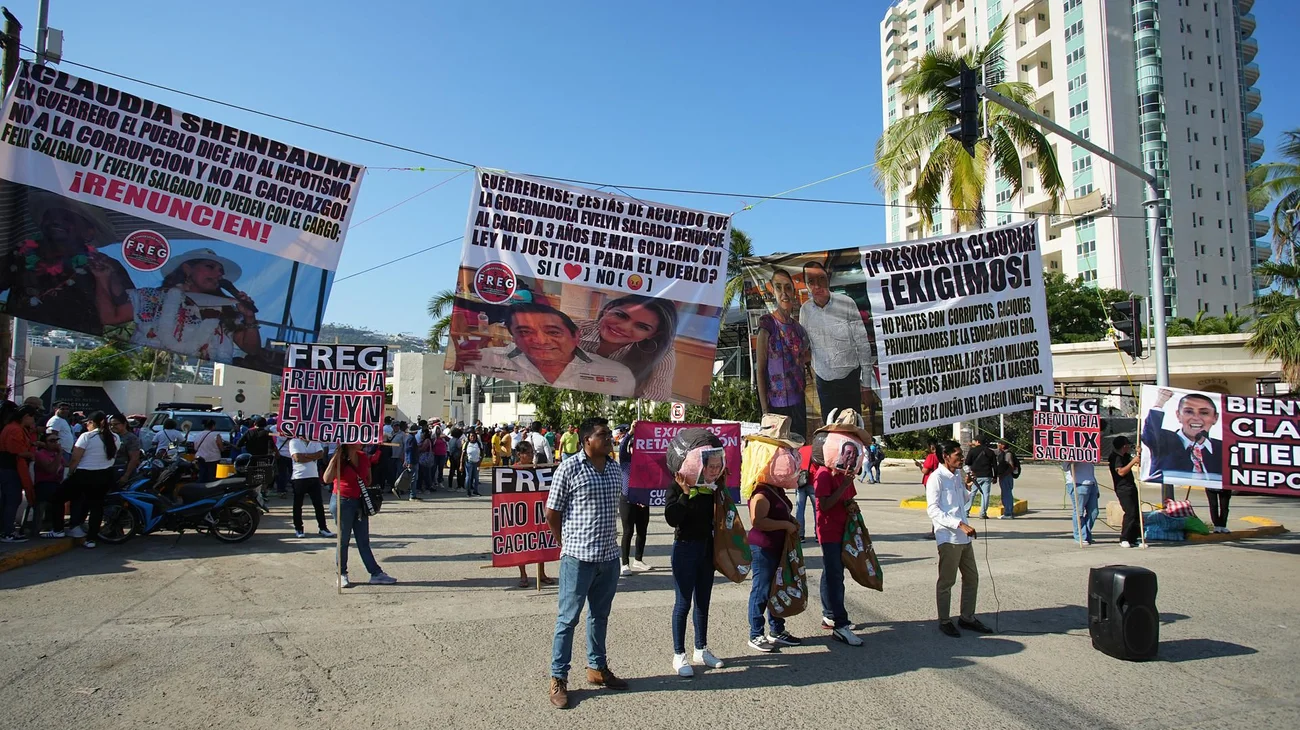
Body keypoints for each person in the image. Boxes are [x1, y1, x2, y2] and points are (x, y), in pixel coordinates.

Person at [544, 417, 628, 709]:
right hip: (578, 559)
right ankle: (558, 677)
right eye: (602, 435)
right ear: (586, 440)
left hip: (608, 557)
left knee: (599, 616)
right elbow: (552, 512)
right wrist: (564, 543)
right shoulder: (569, 468)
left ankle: (597, 668)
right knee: (568, 620)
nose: (608, 439)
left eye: (609, 435)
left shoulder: (615, 468)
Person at [91, 247, 270, 364]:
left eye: (221, 272)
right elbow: (109, 317)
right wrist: (102, 278)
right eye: (210, 267)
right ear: (187, 268)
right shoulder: (152, 298)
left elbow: (251, 348)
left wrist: (249, 318)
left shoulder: (226, 309)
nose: (218, 274)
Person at [0, 190, 131, 334]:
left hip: (75, 345)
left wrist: (103, 279)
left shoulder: (104, 265)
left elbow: (127, 311)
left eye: (68, 218)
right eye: (50, 216)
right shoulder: (19, 254)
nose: (56, 221)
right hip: (17, 337)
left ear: (88, 232)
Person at [663, 428, 727, 677]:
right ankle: (679, 655)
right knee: (683, 603)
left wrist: (717, 484)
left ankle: (701, 648)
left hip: (706, 549)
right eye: (709, 465)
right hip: (685, 548)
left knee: (703, 602)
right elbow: (672, 518)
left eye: (717, 464)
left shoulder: (711, 488)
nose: (714, 469)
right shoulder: (678, 487)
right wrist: (686, 495)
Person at [470, 303, 636, 396]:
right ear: (513, 336)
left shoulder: (618, 375)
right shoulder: (484, 360)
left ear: (576, 336)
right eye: (525, 332)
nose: (541, 341)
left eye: (553, 332)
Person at [743, 415, 804, 653]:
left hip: (777, 545)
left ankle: (777, 629)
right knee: (762, 589)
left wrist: (789, 521)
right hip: (764, 546)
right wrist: (786, 526)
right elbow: (758, 521)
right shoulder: (761, 491)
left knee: (776, 588)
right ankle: (756, 633)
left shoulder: (774, 487)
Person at [810, 408, 870, 647]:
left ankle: (830, 613)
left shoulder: (846, 473)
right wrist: (843, 483)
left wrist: (852, 506)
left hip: (843, 528)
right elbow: (824, 504)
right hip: (829, 529)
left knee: (833, 571)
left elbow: (847, 498)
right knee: (835, 574)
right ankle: (840, 623)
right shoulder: (824, 473)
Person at [926, 440, 993, 637]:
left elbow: (961, 500)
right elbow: (933, 510)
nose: (962, 458)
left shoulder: (956, 476)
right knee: (947, 581)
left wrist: (967, 486)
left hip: (964, 538)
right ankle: (945, 620)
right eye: (958, 455)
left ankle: (967, 617)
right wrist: (959, 524)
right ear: (945, 456)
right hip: (949, 538)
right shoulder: (936, 478)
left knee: (972, 578)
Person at [798, 261, 873, 421]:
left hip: (850, 379)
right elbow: (805, 345)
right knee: (831, 430)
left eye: (821, 279)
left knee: (853, 428)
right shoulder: (804, 311)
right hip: (824, 383)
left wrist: (866, 385)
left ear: (828, 278)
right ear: (806, 284)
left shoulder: (846, 303)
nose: (817, 286)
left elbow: (863, 345)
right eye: (811, 281)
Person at [577, 295, 679, 400]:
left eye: (641, 327)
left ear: (652, 334)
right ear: (608, 309)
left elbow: (656, 397)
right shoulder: (573, 330)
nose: (624, 327)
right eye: (620, 315)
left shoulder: (663, 352)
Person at [323, 443, 397, 588]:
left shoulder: (363, 457)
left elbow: (368, 480)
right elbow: (326, 479)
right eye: (359, 439)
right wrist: (335, 459)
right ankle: (341, 574)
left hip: (359, 501)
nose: (363, 442)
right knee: (343, 540)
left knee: (363, 540)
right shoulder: (339, 458)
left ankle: (375, 573)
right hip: (342, 501)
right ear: (349, 443)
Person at [756, 269, 811, 440]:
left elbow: (806, 358)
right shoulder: (767, 325)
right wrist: (765, 410)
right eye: (779, 287)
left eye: (788, 287)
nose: (784, 293)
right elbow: (760, 370)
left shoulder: (799, 329)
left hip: (798, 405)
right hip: (775, 409)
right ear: (773, 291)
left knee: (800, 452)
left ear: (794, 292)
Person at [65, 411, 121, 549]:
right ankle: (92, 538)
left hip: (85, 474)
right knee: (97, 507)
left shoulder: (87, 436)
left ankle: (75, 527)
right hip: (105, 475)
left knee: (78, 501)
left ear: (96, 422)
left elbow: (75, 458)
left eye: (88, 422)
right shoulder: (115, 437)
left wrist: (68, 473)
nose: (87, 425)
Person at [1141, 388, 1223, 480]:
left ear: (1215, 418)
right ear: (1178, 415)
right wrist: (1159, 403)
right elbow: (1150, 434)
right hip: (1175, 490)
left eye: (1204, 413)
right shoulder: (1164, 441)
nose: (1196, 418)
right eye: (1189, 411)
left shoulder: (1224, 448)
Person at [511, 440, 555, 588]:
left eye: (532, 453)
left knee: (540, 542)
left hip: (537, 512)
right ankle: (523, 575)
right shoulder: (513, 470)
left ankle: (541, 573)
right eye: (527, 453)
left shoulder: (537, 470)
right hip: (521, 513)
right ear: (519, 455)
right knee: (522, 544)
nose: (530, 456)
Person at [0, 406, 37, 542]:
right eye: (32, 417)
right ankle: (7, 532)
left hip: (10, 468)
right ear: (25, 416)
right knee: (12, 500)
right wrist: (30, 454)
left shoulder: (15, 428)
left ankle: (5, 530)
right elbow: (17, 451)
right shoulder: (14, 429)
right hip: (12, 468)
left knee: (7, 500)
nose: (33, 420)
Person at [617, 426, 650, 576]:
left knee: (642, 531)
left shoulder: (646, 463)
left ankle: (638, 559)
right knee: (628, 531)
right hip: (627, 500)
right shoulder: (625, 460)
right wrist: (630, 433)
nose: (636, 449)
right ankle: (624, 563)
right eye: (633, 446)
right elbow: (622, 445)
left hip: (643, 500)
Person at [289, 437, 334, 539]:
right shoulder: (294, 441)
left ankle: (323, 527)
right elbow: (297, 458)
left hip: (313, 476)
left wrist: (305, 456)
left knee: (318, 504)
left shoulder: (314, 441)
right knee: (298, 505)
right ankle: (298, 528)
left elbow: (320, 454)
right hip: (299, 476)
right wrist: (312, 457)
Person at [1108, 437, 1143, 548]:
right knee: (1130, 512)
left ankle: (1134, 538)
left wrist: (1139, 453)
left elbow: (1138, 460)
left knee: (1136, 513)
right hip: (1122, 488)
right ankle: (1124, 538)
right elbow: (1121, 472)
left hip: (1131, 486)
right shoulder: (1115, 457)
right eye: (1127, 445)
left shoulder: (1126, 456)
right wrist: (1133, 462)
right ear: (1123, 446)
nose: (1128, 447)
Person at [34, 430, 66, 538]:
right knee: (57, 495)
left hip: (56, 483)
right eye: (52, 441)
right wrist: (60, 453)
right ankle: (57, 528)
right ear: (45, 443)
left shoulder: (57, 455)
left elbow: (65, 467)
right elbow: (51, 469)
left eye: (57, 440)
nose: (55, 443)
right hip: (44, 483)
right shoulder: (40, 454)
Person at [1063, 461, 1099, 545]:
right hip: (1077, 483)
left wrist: (1096, 487)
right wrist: (1075, 460)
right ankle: (1080, 536)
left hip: (1091, 482)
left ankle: (1086, 534)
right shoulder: (1070, 451)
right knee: (1079, 511)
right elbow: (1065, 467)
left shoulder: (1089, 450)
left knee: (1094, 512)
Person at [965, 435, 998, 519]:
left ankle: (966, 511)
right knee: (985, 494)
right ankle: (983, 513)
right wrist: (995, 476)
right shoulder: (990, 452)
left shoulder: (973, 451)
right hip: (987, 475)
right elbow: (994, 465)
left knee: (972, 493)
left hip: (975, 475)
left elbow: (967, 462)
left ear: (977, 442)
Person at [108, 415, 142, 486]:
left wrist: (126, 475)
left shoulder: (131, 438)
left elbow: (134, 459)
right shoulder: (109, 437)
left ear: (124, 424)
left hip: (122, 471)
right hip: (109, 471)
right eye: (110, 424)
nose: (112, 427)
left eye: (115, 424)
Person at [995, 441, 1020, 519]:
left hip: (1007, 476)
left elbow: (1011, 466)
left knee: (1007, 494)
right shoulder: (1003, 452)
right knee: (1006, 493)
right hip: (1005, 476)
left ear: (1003, 445)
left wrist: (1003, 475)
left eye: (999, 444)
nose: (998, 445)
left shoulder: (1008, 454)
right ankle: (1008, 512)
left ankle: (1008, 513)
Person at [460, 430, 484, 496]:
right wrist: (461, 465)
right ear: (469, 437)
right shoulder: (466, 444)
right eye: (471, 436)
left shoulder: (479, 444)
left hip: (477, 463)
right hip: (469, 463)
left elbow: (482, 453)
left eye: (474, 436)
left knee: (476, 478)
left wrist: (480, 461)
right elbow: (462, 454)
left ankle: (475, 491)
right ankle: (468, 492)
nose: (472, 437)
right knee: (468, 477)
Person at [447, 427, 464, 492]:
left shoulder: (451, 440)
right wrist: (462, 444)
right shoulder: (457, 440)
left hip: (451, 456)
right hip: (457, 457)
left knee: (451, 471)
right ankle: (459, 486)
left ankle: (450, 486)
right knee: (459, 472)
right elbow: (459, 447)